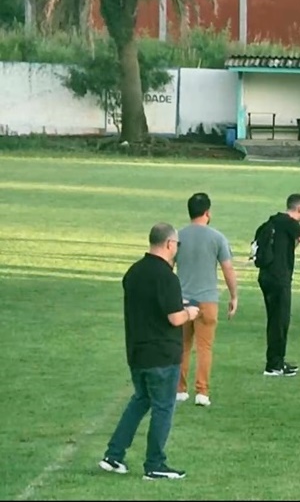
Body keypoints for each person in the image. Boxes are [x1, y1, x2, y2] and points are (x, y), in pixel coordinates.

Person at [98, 223, 200, 480]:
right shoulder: (167, 277)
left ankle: (114, 454)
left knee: (141, 399)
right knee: (163, 408)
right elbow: (175, 318)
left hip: (137, 352)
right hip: (162, 355)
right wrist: (190, 312)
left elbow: (149, 304)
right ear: (169, 244)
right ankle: (155, 464)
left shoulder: (134, 272)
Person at [174, 193, 238, 408]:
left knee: (182, 346)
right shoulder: (217, 237)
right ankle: (202, 392)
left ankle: (180, 389)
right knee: (205, 348)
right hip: (208, 300)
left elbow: (167, 267)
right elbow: (228, 269)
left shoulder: (178, 237)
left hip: (182, 300)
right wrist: (234, 296)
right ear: (207, 212)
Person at [259, 194, 300, 377]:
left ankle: (277, 360)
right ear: (299, 209)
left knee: (275, 320)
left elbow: (293, 243)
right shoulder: (290, 224)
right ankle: (274, 365)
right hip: (279, 279)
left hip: (267, 276)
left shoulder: (276, 221)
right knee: (280, 322)